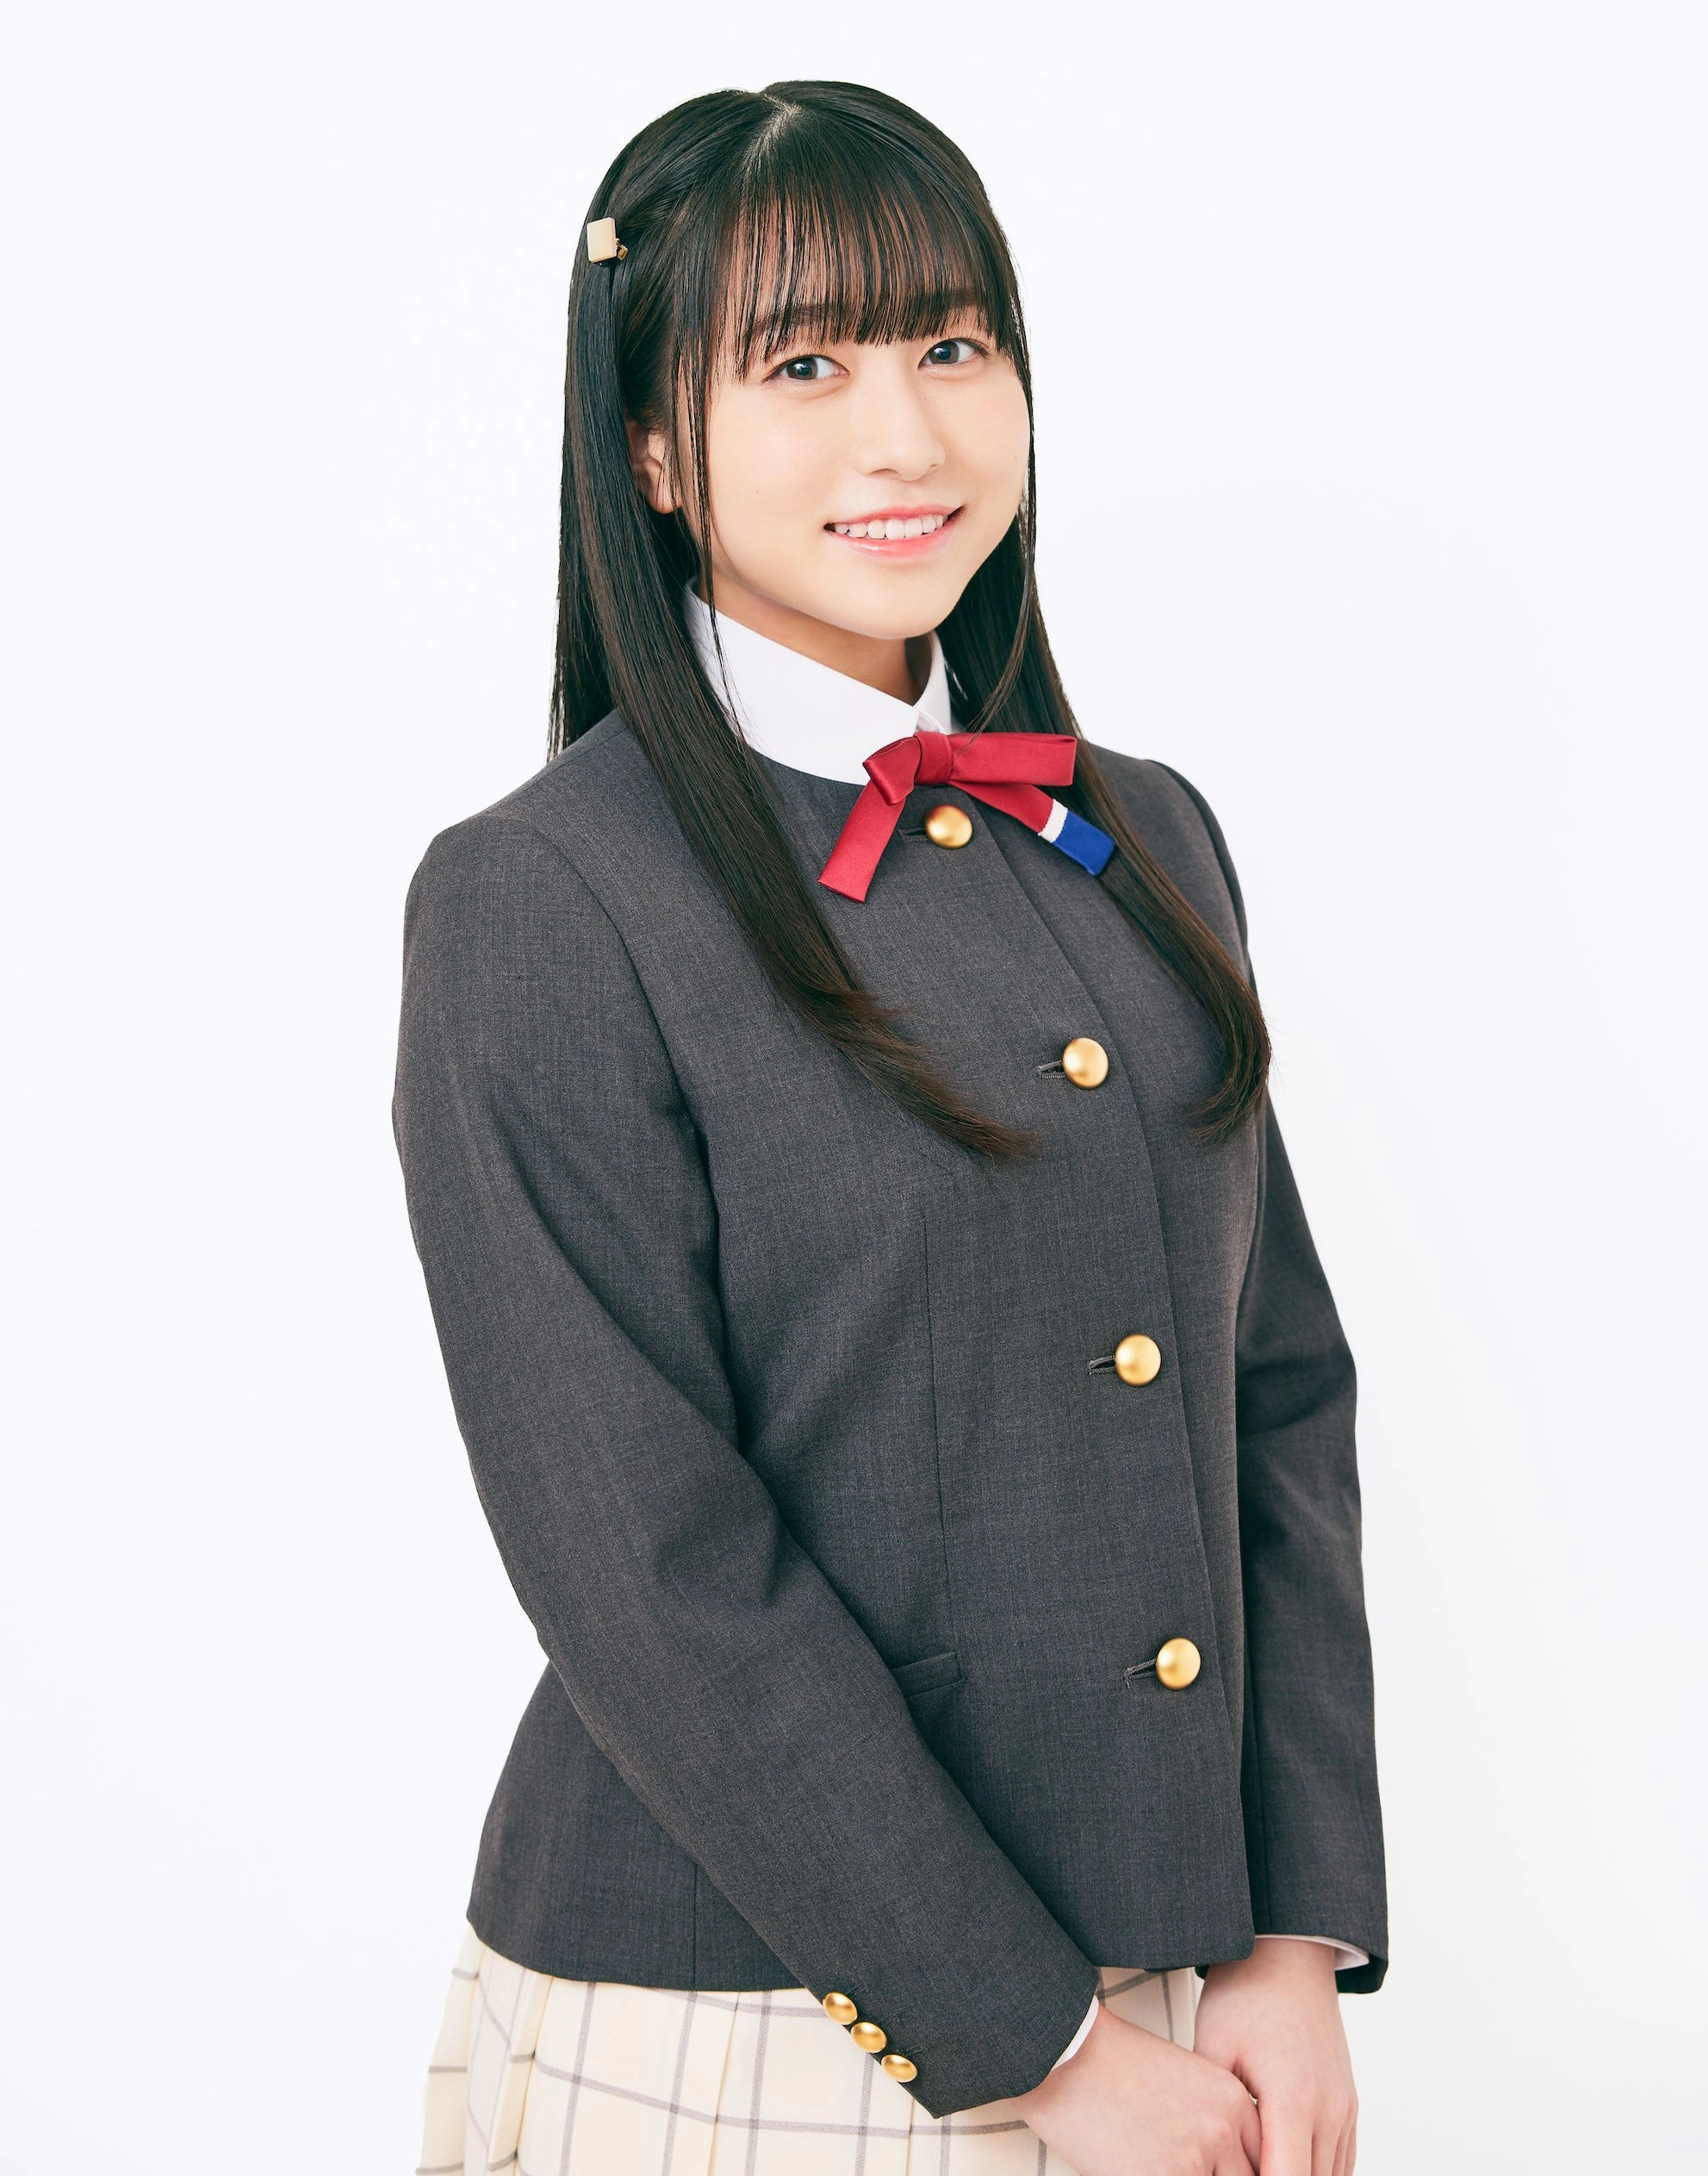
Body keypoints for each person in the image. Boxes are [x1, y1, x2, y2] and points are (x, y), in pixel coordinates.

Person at [396, 79, 1385, 2176]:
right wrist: (1045, 2051)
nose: (906, 436)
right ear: (652, 448)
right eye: (801, 364)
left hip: (1174, 1989)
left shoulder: (1144, 831)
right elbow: (643, 1562)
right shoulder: (544, 897)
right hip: (756, 2014)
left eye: (948, 343)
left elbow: (1272, 1391)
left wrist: (1287, 1938)